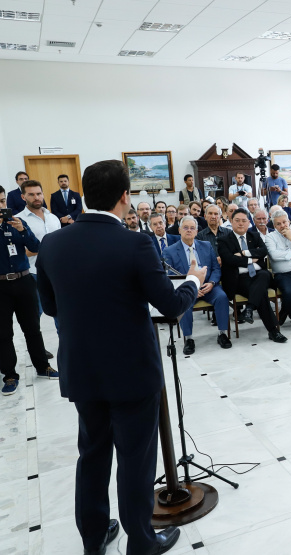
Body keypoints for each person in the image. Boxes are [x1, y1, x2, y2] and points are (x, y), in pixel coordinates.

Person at [36, 159, 204, 554]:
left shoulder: (53, 243)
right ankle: (141, 543)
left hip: (82, 370)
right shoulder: (135, 243)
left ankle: (93, 541)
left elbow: (49, 307)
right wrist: (194, 280)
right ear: (125, 197)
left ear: (83, 195)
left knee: (92, 457)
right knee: (134, 461)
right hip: (131, 371)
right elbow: (169, 304)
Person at [0, 185, 57, 396]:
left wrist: (22, 231)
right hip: (1, 286)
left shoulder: (18, 222)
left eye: (3, 201)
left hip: (24, 281)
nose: (2, 205)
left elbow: (35, 246)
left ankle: (43, 367)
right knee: (4, 333)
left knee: (33, 327)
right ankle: (10, 375)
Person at [163, 216, 231, 354]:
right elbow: (171, 276)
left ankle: (222, 334)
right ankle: (188, 339)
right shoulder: (169, 251)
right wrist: (191, 287)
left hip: (208, 286)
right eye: (186, 228)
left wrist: (212, 283)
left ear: (196, 231)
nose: (189, 230)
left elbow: (216, 268)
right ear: (180, 230)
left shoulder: (206, 245)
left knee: (222, 297)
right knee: (183, 303)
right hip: (187, 288)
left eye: (192, 228)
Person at [217, 210, 287, 343]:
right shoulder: (223, 240)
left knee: (264, 274)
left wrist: (244, 253)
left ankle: (249, 309)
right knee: (261, 293)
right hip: (238, 280)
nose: (240, 223)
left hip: (258, 275)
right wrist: (251, 259)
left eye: (244, 220)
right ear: (231, 222)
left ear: (249, 223)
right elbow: (229, 260)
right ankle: (273, 331)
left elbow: (263, 251)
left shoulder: (254, 236)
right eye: (237, 220)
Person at [17, 180, 62, 342]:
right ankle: (38, 349)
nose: (36, 197)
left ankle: (64, 343)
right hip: (33, 274)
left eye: (39, 193)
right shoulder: (18, 221)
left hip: (56, 273)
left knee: (60, 312)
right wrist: (42, 249)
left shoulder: (53, 218)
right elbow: (19, 252)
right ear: (23, 197)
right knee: (34, 315)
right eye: (31, 194)